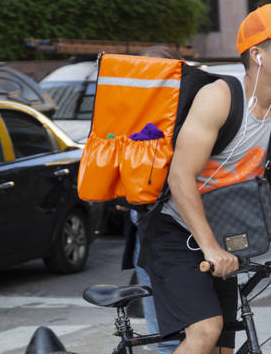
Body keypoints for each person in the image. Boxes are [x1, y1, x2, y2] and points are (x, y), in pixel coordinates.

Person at [146, 3, 271, 354]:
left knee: (225, 347)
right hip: (176, 233)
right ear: (257, 54)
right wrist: (209, 247)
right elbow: (181, 176)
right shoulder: (220, 98)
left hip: (224, 239)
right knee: (206, 332)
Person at [120, 44, 184, 354]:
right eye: (145, 73)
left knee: (203, 329)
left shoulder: (187, 113)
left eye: (160, 72)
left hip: (186, 232)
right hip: (148, 232)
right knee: (164, 333)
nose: (152, 80)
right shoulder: (129, 115)